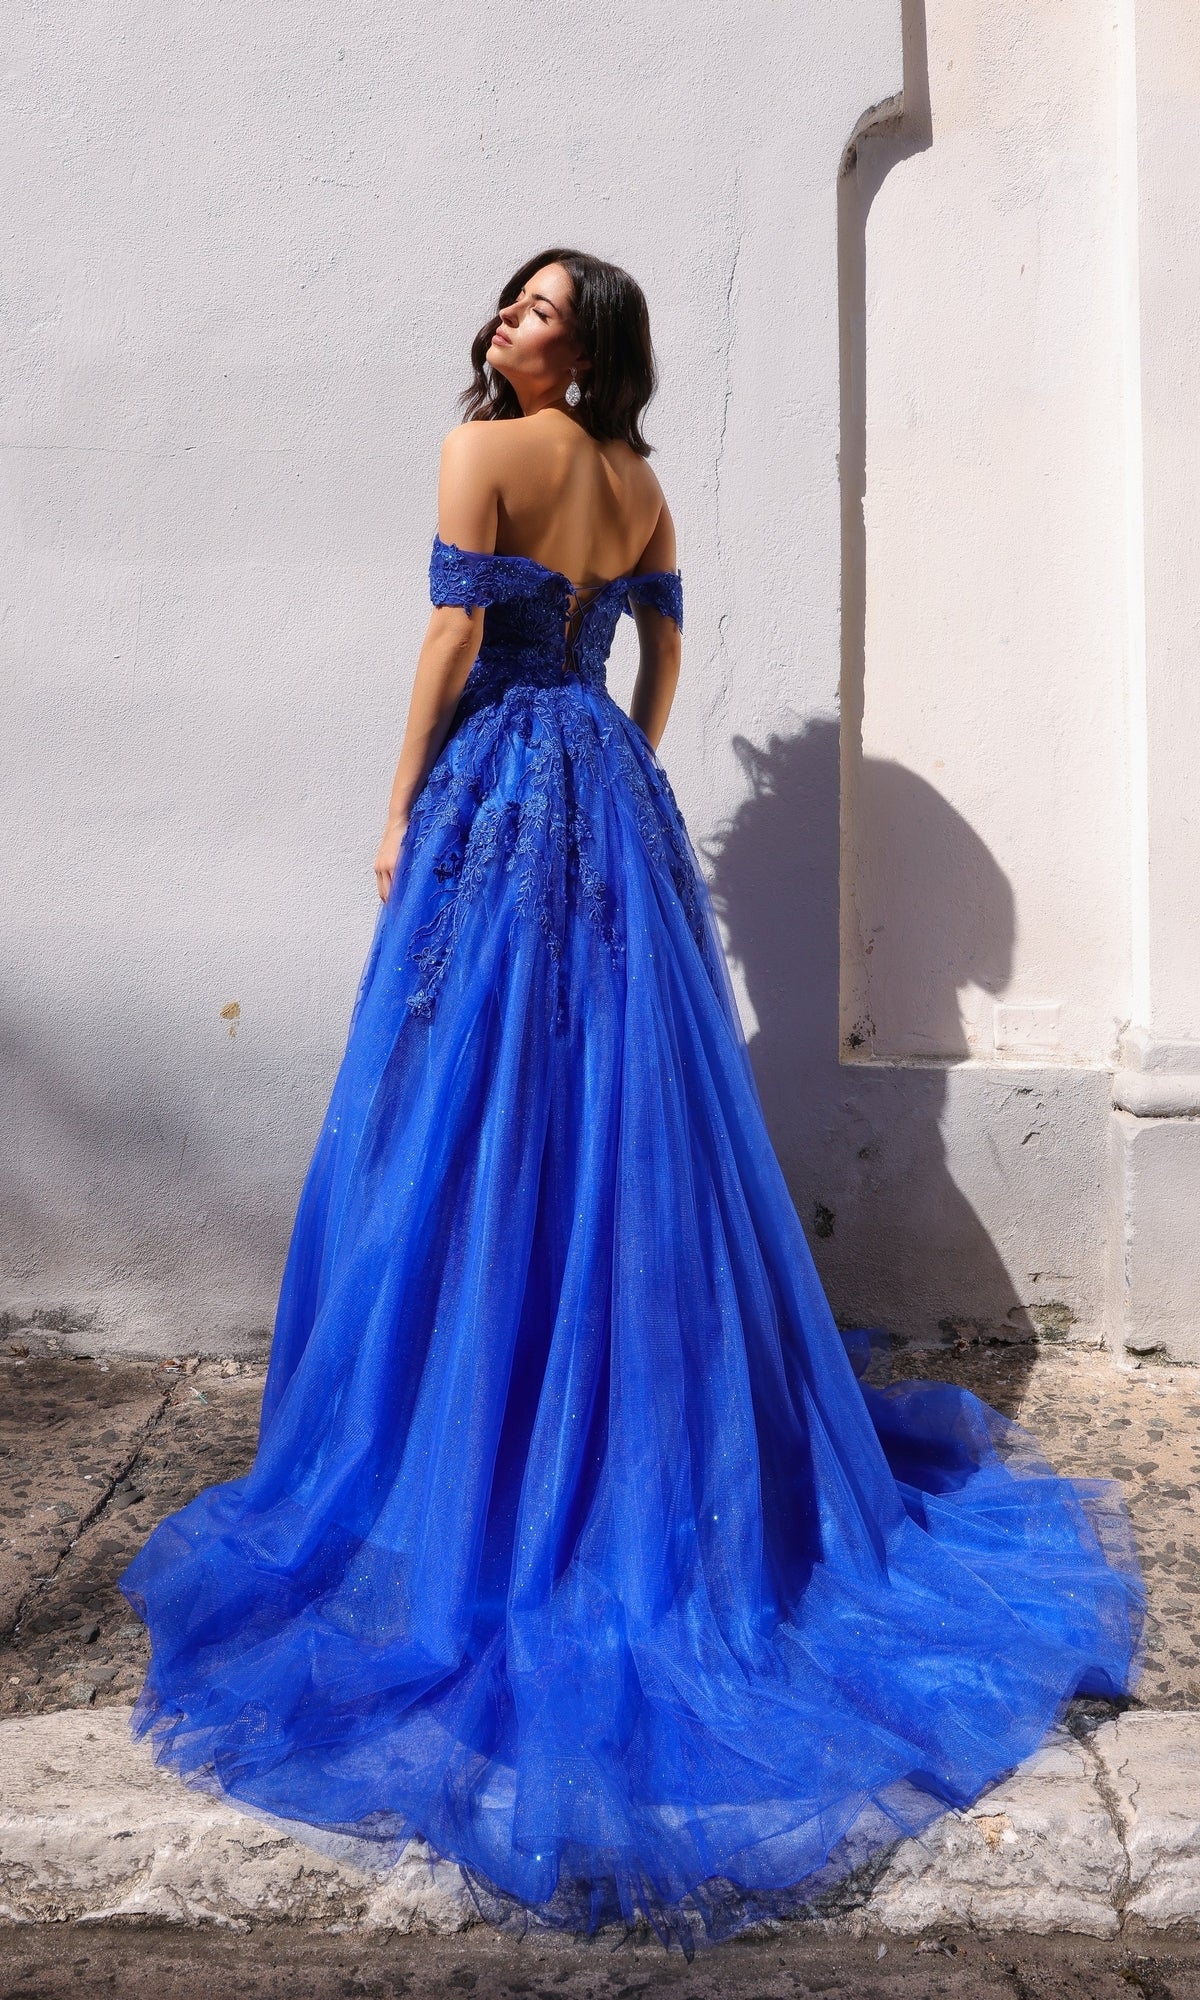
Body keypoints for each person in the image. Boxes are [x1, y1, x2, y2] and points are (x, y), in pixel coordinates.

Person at [120, 247, 1144, 1949]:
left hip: (501, 784)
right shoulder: (639, 480)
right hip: (602, 778)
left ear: (584, 348)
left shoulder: (485, 452)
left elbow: (455, 630)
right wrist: (640, 752)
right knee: (618, 1114)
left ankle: (472, 1444)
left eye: (536, 313)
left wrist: (397, 811)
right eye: (507, 305)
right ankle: (593, 1422)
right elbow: (664, 636)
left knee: (467, 1109)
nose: (503, 325)